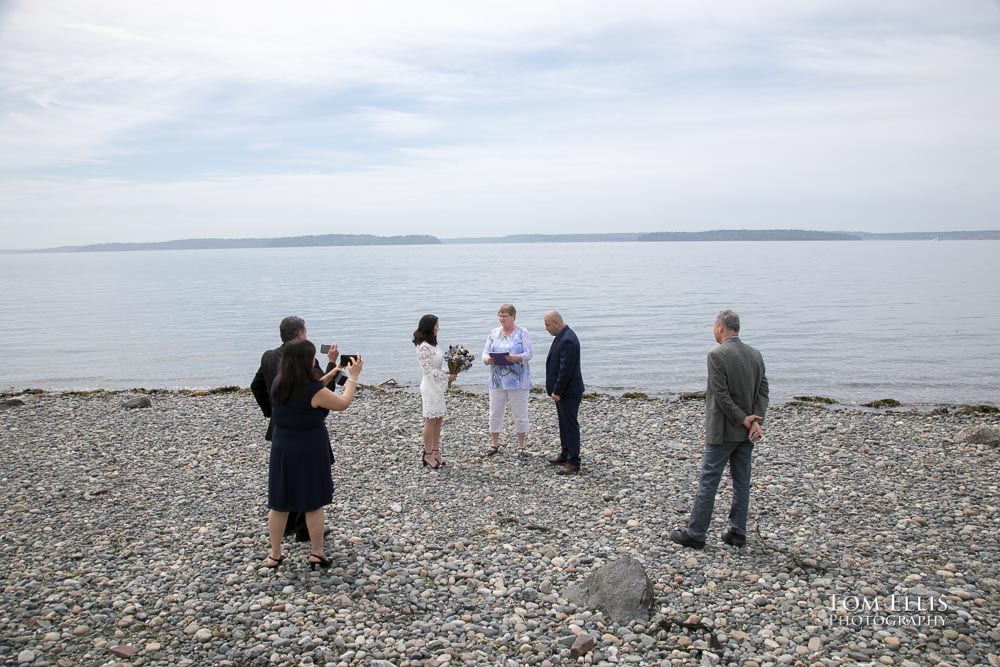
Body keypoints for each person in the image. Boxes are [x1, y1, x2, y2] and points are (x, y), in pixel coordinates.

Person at [671, 309, 769, 549]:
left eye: (713, 326)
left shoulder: (716, 355)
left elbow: (721, 395)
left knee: (709, 481)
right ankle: (737, 532)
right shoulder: (755, 354)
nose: (713, 330)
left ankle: (696, 534)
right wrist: (756, 420)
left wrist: (745, 419)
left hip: (723, 430)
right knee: (742, 481)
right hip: (746, 432)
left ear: (721, 327)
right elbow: (764, 391)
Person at [264, 339, 363, 570]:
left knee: (279, 503)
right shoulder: (312, 391)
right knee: (313, 502)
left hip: (282, 447)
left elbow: (310, 387)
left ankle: (274, 554)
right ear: (305, 362)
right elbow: (342, 403)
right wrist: (354, 376)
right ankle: (316, 553)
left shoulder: (280, 382)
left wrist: (333, 372)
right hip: (308, 446)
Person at [251, 315, 341, 542]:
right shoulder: (305, 358)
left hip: (281, 427)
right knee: (308, 481)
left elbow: (257, 385)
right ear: (300, 333)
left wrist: (272, 411)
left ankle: (287, 529)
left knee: (285, 480)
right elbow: (322, 392)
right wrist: (333, 364)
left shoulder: (269, 357)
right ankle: (304, 530)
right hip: (307, 428)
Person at [482, 304, 533, 457]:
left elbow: (529, 353)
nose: (502, 319)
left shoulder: (522, 332)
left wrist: (515, 358)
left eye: (505, 316)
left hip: (518, 380)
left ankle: (521, 446)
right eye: (500, 316)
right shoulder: (494, 332)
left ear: (513, 317)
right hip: (497, 379)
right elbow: (485, 352)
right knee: (495, 412)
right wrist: (487, 359)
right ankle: (494, 444)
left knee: (520, 413)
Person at [543, 310, 585, 474]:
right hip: (564, 391)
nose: (546, 328)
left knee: (570, 424)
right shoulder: (562, 336)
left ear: (556, 323)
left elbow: (565, 369)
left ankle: (574, 461)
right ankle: (566, 452)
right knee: (563, 424)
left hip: (568, 391)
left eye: (547, 325)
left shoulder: (568, 339)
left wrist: (557, 391)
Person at [413, 314, 456, 469]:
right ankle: (427, 453)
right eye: (436, 325)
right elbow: (428, 370)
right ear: (429, 327)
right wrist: (446, 377)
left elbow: (438, 365)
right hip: (430, 386)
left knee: (438, 418)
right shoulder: (424, 346)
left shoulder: (433, 345)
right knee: (430, 420)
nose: (438, 328)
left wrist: (449, 372)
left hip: (437, 386)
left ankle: (436, 451)